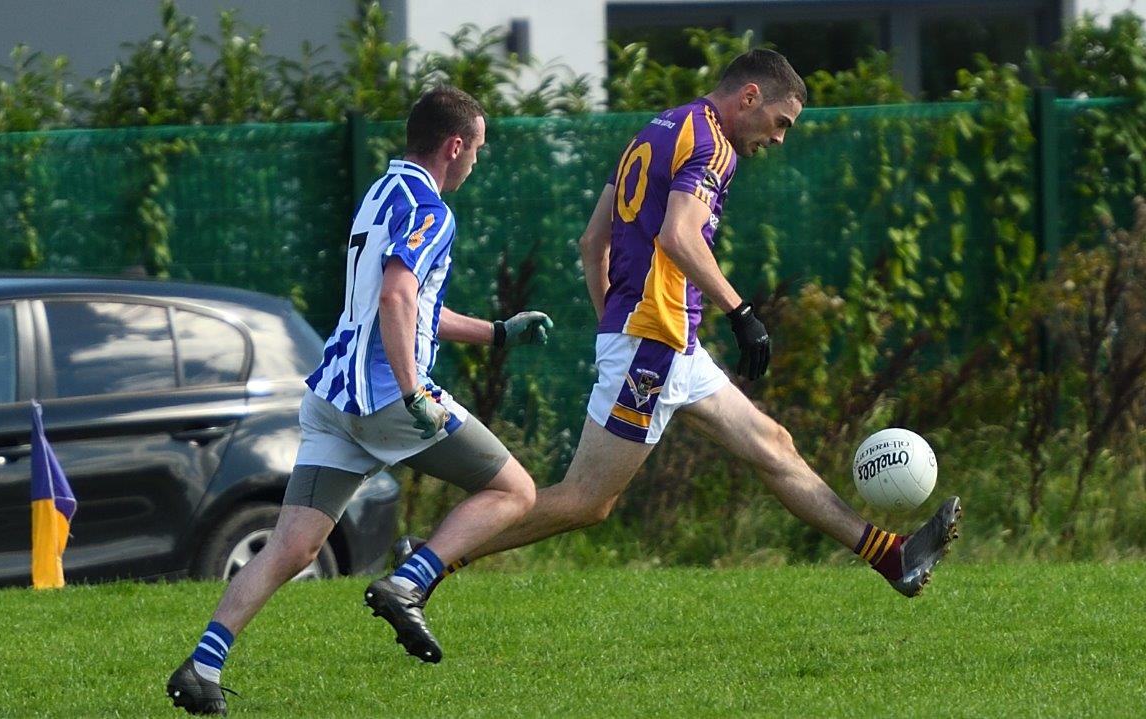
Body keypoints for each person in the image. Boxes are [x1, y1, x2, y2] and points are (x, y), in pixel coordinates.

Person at [409, 49, 961, 606]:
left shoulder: (656, 130)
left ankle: (891, 555)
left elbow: (591, 243)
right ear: (749, 97)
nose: (779, 139)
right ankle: (431, 558)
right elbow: (680, 234)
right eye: (779, 122)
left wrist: (614, 325)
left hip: (663, 340)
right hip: (656, 340)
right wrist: (740, 313)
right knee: (585, 501)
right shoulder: (714, 144)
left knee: (774, 446)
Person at [166, 85, 553, 715]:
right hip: (384, 398)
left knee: (294, 544)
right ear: (454, 147)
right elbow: (398, 300)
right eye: (477, 148)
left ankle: (202, 665)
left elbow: (411, 304)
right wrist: (413, 392)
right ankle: (409, 582)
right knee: (516, 491)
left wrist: (497, 331)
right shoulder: (432, 209)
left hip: (331, 396)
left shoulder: (380, 194)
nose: (478, 161)